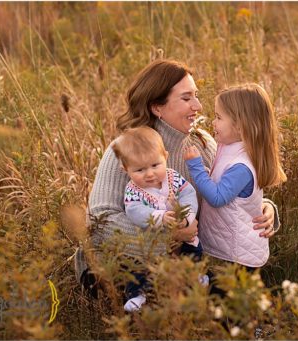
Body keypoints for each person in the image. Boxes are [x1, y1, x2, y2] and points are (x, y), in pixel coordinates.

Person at [76, 59, 281, 305]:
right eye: (186, 99)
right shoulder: (126, 149)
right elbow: (99, 222)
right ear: (157, 108)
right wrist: (170, 238)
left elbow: (229, 190)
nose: (198, 106)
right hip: (123, 265)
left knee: (225, 303)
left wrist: (264, 208)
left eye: (196, 96)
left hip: (184, 260)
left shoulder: (202, 143)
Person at [183, 83, 286, 270]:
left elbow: (217, 198)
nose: (213, 123)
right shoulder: (230, 148)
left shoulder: (241, 165)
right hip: (228, 246)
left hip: (237, 255)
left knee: (228, 297)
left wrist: (196, 167)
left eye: (219, 117)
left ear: (240, 126)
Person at [114, 126, 205, 312]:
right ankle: (136, 294)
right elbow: (134, 211)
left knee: (193, 248)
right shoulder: (133, 190)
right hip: (149, 240)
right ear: (125, 169)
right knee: (137, 266)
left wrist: (187, 216)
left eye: (155, 165)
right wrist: (160, 217)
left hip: (181, 228)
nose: (149, 174)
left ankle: (196, 275)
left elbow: (188, 193)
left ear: (165, 156)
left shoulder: (173, 178)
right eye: (139, 169)